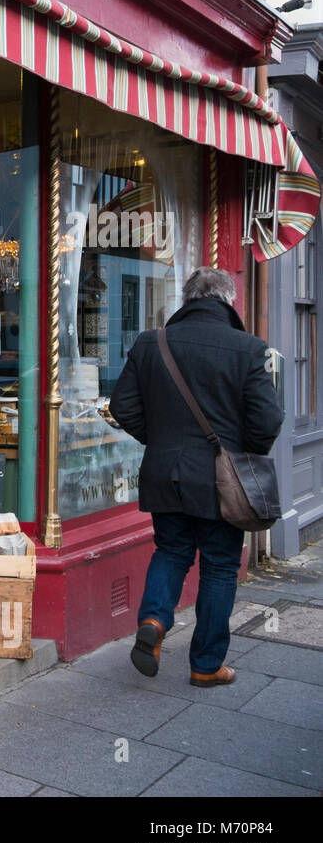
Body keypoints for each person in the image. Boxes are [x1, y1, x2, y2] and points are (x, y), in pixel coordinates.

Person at [109, 267, 283, 687]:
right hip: (222, 481)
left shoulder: (152, 342)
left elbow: (122, 407)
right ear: (227, 301)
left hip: (164, 472)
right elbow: (267, 421)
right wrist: (240, 454)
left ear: (187, 300)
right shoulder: (249, 348)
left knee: (171, 551)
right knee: (220, 567)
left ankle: (153, 620)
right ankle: (205, 665)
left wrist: (163, 440)